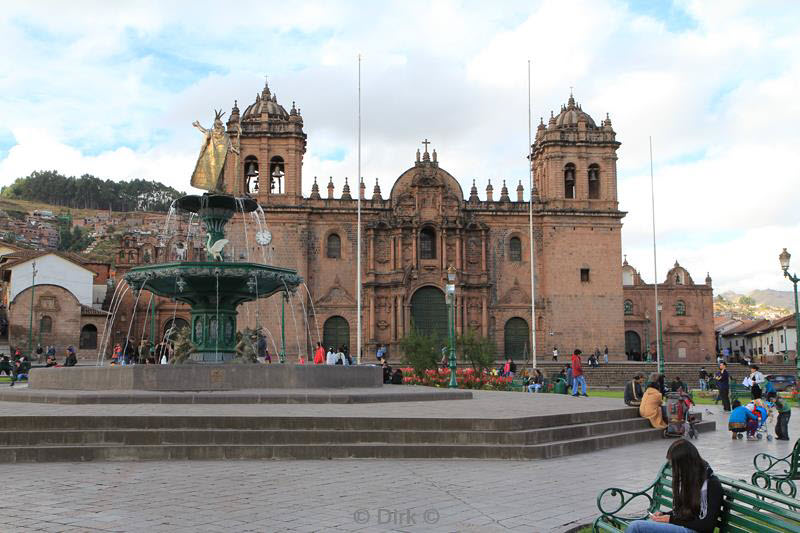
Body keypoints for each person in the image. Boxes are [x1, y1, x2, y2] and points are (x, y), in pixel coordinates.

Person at [626, 439, 722, 533]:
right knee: (643, 525)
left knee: (636, 527)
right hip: (684, 527)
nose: (673, 469)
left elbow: (706, 526)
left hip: (694, 530)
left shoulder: (711, 485)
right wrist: (664, 515)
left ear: (685, 464)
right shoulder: (692, 479)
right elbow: (685, 514)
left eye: (674, 465)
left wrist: (670, 519)